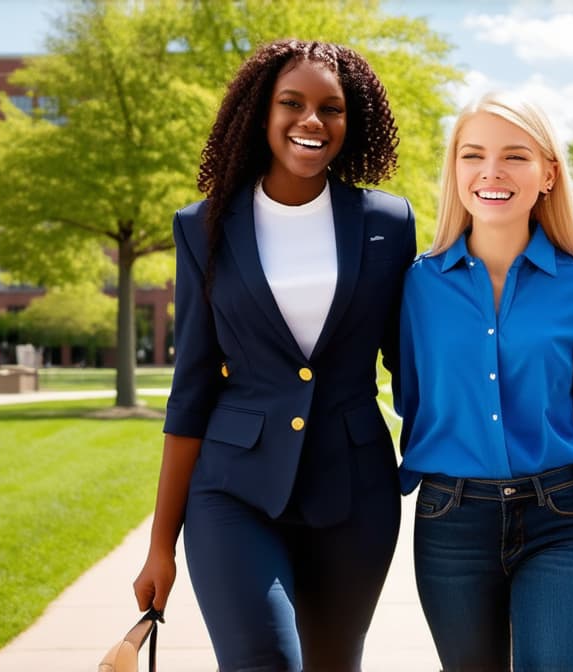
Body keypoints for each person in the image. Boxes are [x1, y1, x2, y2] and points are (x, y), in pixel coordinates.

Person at [132, 39, 416, 672]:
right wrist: (160, 545)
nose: (311, 121)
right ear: (262, 113)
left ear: (353, 121)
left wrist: (440, 461)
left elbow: (409, 367)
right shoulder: (203, 226)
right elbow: (192, 388)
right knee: (264, 661)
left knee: (333, 663)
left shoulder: (388, 223)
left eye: (331, 108)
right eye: (293, 103)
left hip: (355, 495)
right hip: (232, 492)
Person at [395, 92, 573, 672]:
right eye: (473, 155)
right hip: (450, 522)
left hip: (561, 520)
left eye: (515, 156)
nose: (491, 172)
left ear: (549, 174)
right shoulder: (418, 287)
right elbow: (410, 395)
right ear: (455, 171)